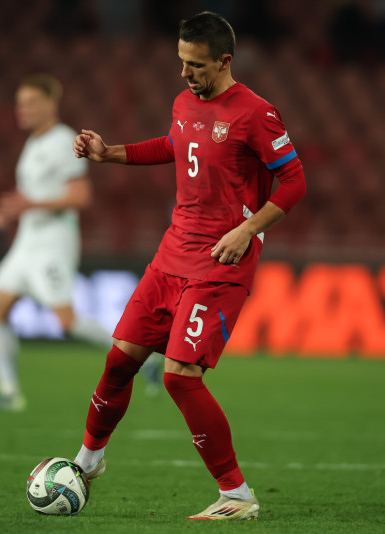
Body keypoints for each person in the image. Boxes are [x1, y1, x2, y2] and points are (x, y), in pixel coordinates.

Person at [70, 11, 306, 521]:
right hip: (171, 254)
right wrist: (109, 154)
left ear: (224, 61)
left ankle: (237, 495)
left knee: (180, 376)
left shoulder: (257, 113)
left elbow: (295, 182)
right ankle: (87, 462)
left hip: (221, 260)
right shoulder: (183, 102)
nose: (184, 73)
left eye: (195, 64)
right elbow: (175, 145)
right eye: (181, 61)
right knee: (119, 361)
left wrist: (247, 230)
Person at [0, 74, 137, 412]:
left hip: (52, 244)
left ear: (51, 104)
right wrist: (9, 211)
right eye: (20, 103)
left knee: (67, 323)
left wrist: (29, 205)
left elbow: (80, 196)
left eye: (31, 103)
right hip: (26, 244)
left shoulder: (63, 141)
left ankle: (141, 358)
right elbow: (33, 194)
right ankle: (9, 393)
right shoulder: (34, 143)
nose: (22, 109)